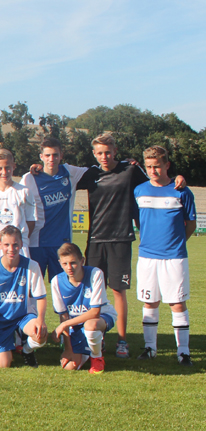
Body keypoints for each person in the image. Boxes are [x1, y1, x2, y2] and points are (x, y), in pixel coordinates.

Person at [74, 132, 154, 359]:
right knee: (93, 293)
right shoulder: (91, 174)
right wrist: (38, 170)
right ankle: (95, 337)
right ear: (94, 154)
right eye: (100, 153)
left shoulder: (130, 170)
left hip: (121, 238)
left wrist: (178, 180)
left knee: (118, 291)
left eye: (108, 152)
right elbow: (62, 179)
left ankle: (122, 341)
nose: (104, 157)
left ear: (115, 151)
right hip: (95, 240)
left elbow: (154, 183)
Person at [133, 146, 195, 366]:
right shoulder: (139, 191)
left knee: (177, 303)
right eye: (149, 166)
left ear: (167, 165)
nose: (153, 171)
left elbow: (191, 224)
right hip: (147, 257)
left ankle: (183, 352)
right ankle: (150, 348)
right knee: (150, 302)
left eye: (157, 166)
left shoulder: (181, 191)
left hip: (174, 257)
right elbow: (138, 221)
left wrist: (176, 243)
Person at [20, 137, 90, 279]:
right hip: (36, 243)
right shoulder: (29, 178)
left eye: (55, 155)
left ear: (61, 155)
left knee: (62, 285)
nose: (51, 159)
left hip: (62, 243)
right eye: (47, 155)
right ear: (41, 157)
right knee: (33, 287)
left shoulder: (70, 172)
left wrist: (126, 163)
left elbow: (98, 171)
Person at [0, 226, 47, 368]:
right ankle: (11, 342)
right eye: (7, 245)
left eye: (15, 244)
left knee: (40, 335)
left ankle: (27, 350)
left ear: (21, 244)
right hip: (0, 320)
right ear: (0, 245)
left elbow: (41, 297)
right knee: (2, 364)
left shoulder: (32, 266)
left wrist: (40, 320)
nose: (11, 249)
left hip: (24, 317)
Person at [50, 243, 115, 374]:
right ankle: (92, 346)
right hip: (75, 324)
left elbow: (95, 312)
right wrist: (68, 349)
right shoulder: (56, 281)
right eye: (65, 263)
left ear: (82, 261)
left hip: (101, 317)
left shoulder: (95, 274)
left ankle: (97, 357)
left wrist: (65, 324)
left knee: (91, 326)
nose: (69, 267)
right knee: (70, 366)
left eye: (73, 263)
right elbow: (63, 316)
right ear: (60, 263)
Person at [0, 148, 37, 265]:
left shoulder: (24, 192)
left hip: (18, 247)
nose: (4, 172)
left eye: (7, 167)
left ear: (14, 166)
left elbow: (31, 221)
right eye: (0, 168)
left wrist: (17, 240)